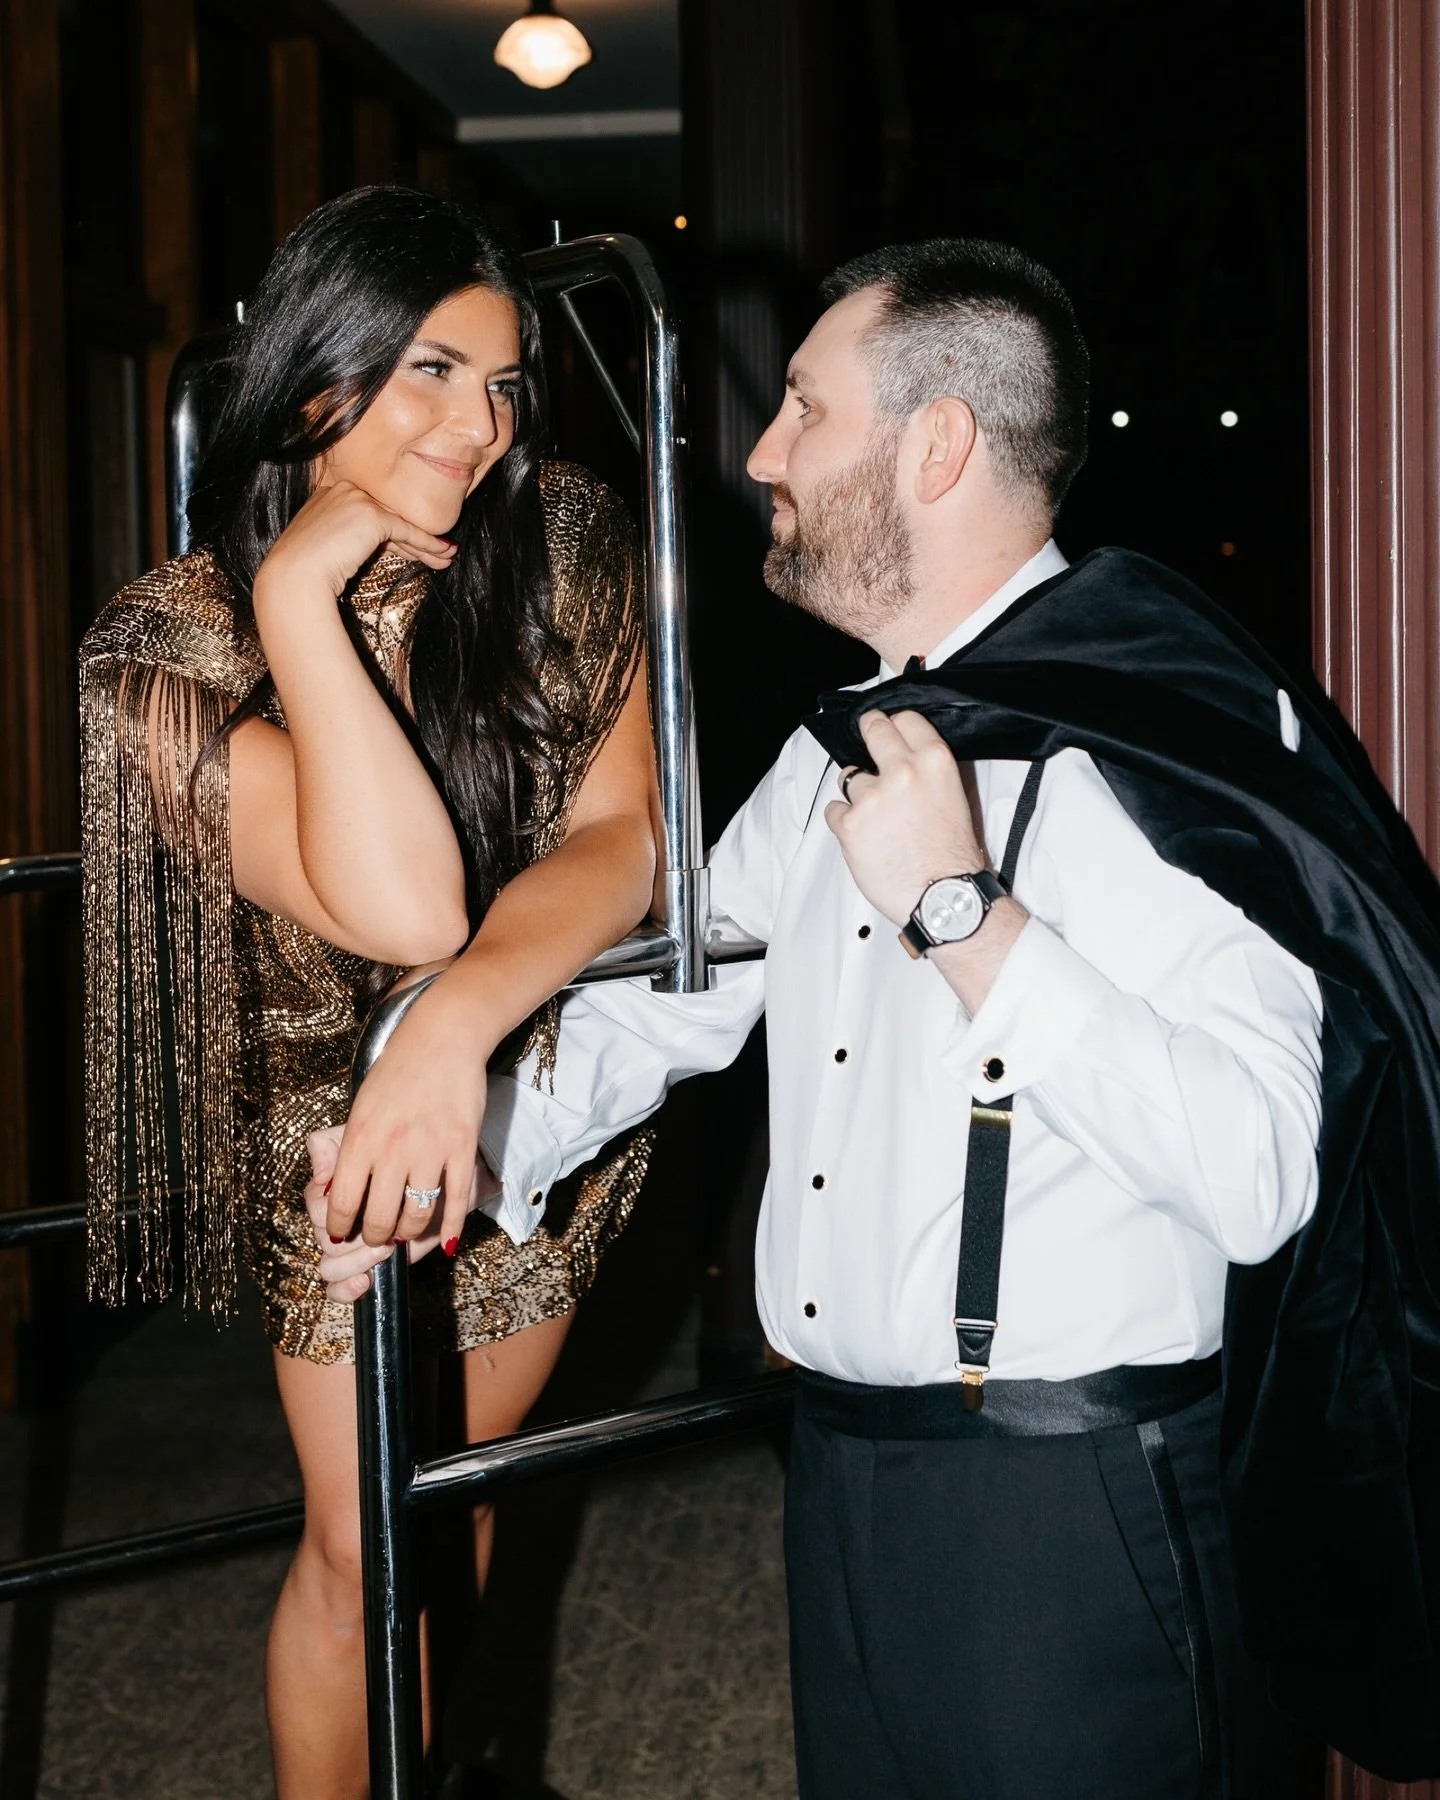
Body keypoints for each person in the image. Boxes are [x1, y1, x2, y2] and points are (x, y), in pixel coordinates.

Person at [320, 239, 1440, 1795]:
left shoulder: (1162, 740)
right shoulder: (832, 747)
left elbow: (1264, 1172)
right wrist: (445, 1135)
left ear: (935, 445)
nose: (763, 453)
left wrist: (972, 920)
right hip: (842, 1473)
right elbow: (669, 1002)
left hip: (1076, 1515)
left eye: (801, 408)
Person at [79, 186, 657, 1800]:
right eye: (430, 372)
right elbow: (405, 906)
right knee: (360, 1554)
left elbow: (625, 840)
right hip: (323, 1158)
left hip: (529, 1113)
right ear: (315, 378)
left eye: (501, 382)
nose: (478, 425)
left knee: (447, 1511)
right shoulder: (159, 650)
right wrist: (299, 613)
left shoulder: (567, 543)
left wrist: (461, 1032)